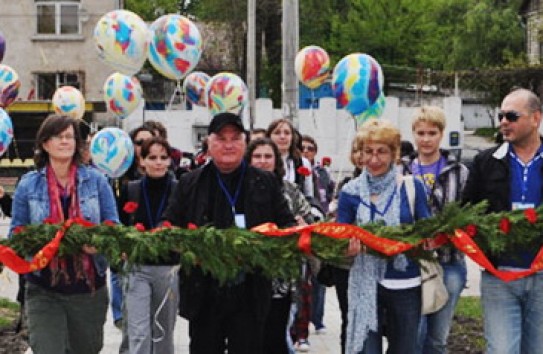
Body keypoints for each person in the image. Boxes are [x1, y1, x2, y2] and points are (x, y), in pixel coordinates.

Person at [162, 112, 296, 354]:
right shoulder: (190, 182)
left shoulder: (265, 181)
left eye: (235, 138)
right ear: (208, 143)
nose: (228, 145)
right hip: (204, 292)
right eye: (221, 138)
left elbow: (286, 224)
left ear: (245, 143)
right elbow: (170, 225)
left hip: (250, 289)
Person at [9, 114, 119, 354]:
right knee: (48, 348)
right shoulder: (28, 185)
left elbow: (113, 225)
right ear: (45, 144)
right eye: (58, 136)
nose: (65, 141)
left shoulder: (97, 181)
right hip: (43, 287)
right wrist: (37, 246)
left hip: (88, 290)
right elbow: (16, 234)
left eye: (70, 136)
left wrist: (97, 244)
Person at [337, 119, 430, 354]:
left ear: (394, 154)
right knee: (368, 349)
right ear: (360, 154)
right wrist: (345, 249)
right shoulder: (350, 192)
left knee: (405, 349)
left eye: (382, 152)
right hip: (365, 282)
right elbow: (339, 235)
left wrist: (424, 241)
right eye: (368, 152)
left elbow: (426, 229)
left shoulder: (411, 187)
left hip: (406, 282)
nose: (374, 159)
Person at [462, 88, 543, 354]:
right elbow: (466, 213)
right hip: (499, 278)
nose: (503, 122)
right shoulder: (485, 162)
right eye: (500, 116)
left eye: (511, 115)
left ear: (535, 118)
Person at [400, 106, 469, 353]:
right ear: (414, 134)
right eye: (421, 133)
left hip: (449, 262)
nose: (426, 139)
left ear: (441, 134)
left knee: (437, 339)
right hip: (410, 265)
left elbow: (467, 216)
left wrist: (444, 237)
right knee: (412, 336)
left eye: (432, 133)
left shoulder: (459, 171)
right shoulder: (401, 170)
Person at [247, 137, 315, 354]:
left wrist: (304, 225)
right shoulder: (239, 189)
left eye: (268, 156)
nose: (262, 161)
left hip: (281, 278)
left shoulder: (290, 189)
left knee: (276, 338)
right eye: (257, 156)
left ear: (277, 161)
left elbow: (311, 221)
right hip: (247, 275)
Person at [118, 137, 179, 354]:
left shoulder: (178, 189)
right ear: (141, 161)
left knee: (163, 332)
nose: (158, 163)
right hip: (137, 268)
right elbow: (120, 227)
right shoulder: (130, 189)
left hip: (169, 268)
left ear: (170, 161)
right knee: (138, 331)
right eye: (152, 157)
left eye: (163, 157)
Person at [301, 134, 334, 336]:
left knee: (319, 274)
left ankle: (318, 319)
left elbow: (326, 195)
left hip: (321, 227)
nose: (306, 152)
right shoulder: (298, 170)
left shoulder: (322, 173)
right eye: (302, 148)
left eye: (310, 149)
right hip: (302, 225)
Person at [267, 118, 314, 198]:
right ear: (269, 136)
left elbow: (308, 195)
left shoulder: (303, 163)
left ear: (292, 137)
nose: (282, 137)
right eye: (277, 133)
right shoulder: (263, 161)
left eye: (287, 133)